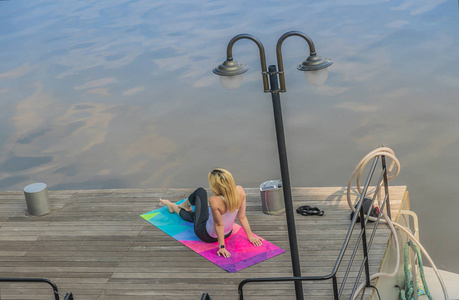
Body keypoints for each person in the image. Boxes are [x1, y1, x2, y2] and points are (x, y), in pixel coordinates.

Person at [159, 168, 262, 258]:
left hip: (206, 235)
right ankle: (172, 205)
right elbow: (242, 217)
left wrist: (222, 247)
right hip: (227, 233)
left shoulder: (214, 200)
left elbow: (219, 224)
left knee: (200, 192)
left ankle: (179, 205)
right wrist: (251, 237)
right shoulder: (240, 190)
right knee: (196, 216)